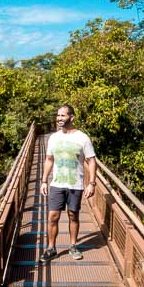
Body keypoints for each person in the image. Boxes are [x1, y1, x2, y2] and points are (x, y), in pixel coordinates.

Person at [40, 104, 96, 262]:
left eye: (63, 115)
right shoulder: (54, 138)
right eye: (58, 115)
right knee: (53, 216)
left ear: (72, 117)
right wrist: (44, 180)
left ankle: (73, 245)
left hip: (75, 184)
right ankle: (51, 248)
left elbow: (91, 161)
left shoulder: (82, 138)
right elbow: (49, 159)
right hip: (57, 184)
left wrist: (92, 183)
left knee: (73, 215)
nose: (59, 118)